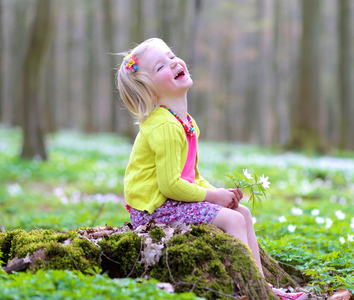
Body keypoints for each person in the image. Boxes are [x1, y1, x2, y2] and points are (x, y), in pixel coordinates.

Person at [116, 38, 307, 300]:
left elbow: (190, 176)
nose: (173, 63)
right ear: (150, 91)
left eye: (171, 56)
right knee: (233, 219)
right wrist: (212, 197)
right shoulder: (165, 127)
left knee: (243, 212)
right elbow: (170, 185)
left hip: (170, 202)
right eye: (161, 67)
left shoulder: (186, 123)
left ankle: (262, 286)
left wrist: (217, 192)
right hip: (153, 209)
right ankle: (250, 290)